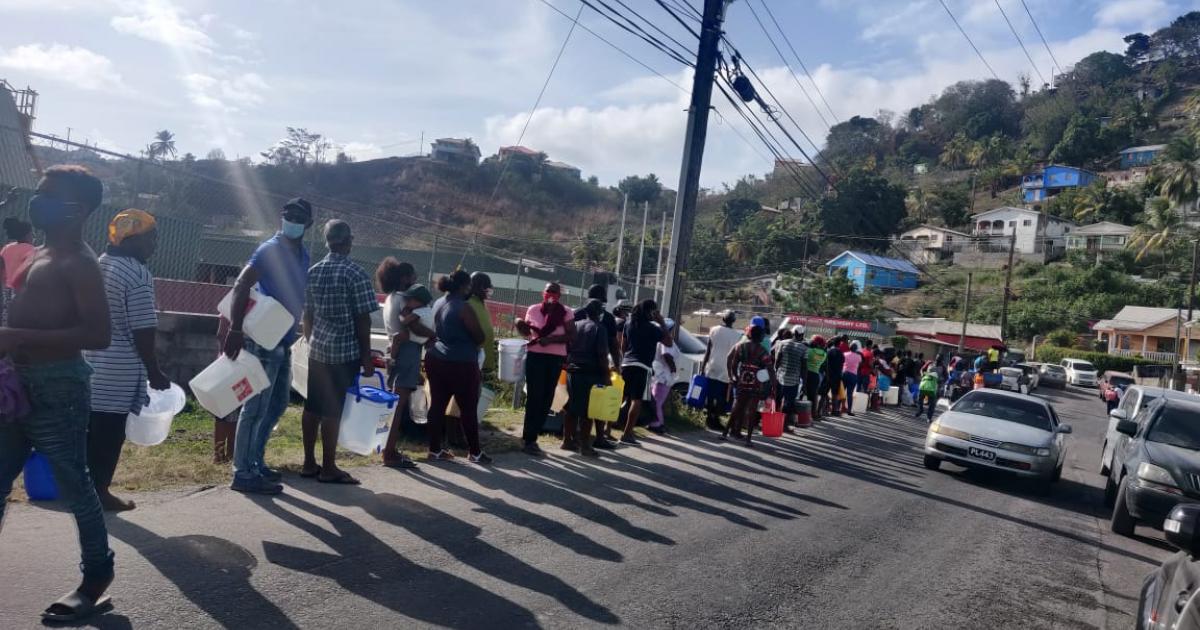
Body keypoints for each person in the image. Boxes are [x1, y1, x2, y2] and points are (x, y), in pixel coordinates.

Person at [0, 166, 114, 623]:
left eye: (48, 195)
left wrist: (15, 334)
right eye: (39, 193)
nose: (36, 201)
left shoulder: (80, 263)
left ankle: (96, 578)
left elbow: (99, 333)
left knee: (74, 485)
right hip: (18, 385)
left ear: (78, 210)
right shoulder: (39, 252)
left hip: (59, 388)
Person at [223, 197, 313, 495]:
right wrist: (235, 328)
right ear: (281, 218)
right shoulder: (269, 250)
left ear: (308, 224)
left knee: (276, 406)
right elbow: (241, 285)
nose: (292, 220)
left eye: (299, 217)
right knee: (256, 406)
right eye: (289, 215)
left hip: (283, 339)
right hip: (263, 338)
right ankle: (243, 472)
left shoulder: (303, 253)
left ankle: (256, 462)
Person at [85, 209, 169, 512]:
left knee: (90, 432)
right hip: (117, 372)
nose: (154, 245)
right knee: (109, 435)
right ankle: (100, 491)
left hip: (89, 364)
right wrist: (154, 371)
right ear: (132, 239)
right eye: (151, 238)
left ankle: (83, 489)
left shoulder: (98, 264)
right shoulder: (136, 273)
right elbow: (143, 331)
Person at [299, 220, 379, 485]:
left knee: (312, 406)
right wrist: (367, 357)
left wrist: (312, 341)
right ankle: (329, 467)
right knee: (333, 410)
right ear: (348, 241)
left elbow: (307, 314)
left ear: (327, 241)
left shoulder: (313, 271)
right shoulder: (355, 273)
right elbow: (363, 320)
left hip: (318, 350)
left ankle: (309, 462)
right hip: (344, 352)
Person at [425, 270, 490, 463]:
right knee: (468, 408)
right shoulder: (463, 307)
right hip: (461, 363)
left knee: (437, 405)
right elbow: (479, 337)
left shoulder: (439, 303)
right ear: (464, 286)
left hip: (436, 358)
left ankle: (434, 449)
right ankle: (475, 452)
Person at [376, 257, 428, 470]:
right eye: (412, 275)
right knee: (399, 405)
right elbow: (409, 329)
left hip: (397, 352)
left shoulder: (390, 298)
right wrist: (431, 334)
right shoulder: (404, 300)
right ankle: (389, 452)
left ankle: (387, 448)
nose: (415, 278)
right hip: (407, 352)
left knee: (394, 404)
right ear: (404, 278)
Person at [515, 282, 575, 456]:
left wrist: (551, 340)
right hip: (535, 356)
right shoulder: (533, 309)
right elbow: (526, 332)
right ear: (543, 292)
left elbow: (572, 335)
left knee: (547, 397)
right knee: (534, 396)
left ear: (559, 295)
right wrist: (519, 323)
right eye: (548, 291)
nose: (551, 294)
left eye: (555, 292)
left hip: (555, 358)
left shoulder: (565, 312)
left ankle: (534, 434)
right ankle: (529, 439)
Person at [573, 285, 621, 449]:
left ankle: (570, 439)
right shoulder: (603, 322)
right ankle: (594, 441)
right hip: (595, 370)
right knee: (595, 406)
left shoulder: (577, 315)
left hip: (574, 367)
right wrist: (613, 369)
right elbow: (610, 347)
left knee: (572, 406)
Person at [618, 299, 670, 446]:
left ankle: (607, 429)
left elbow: (623, 345)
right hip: (643, 367)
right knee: (637, 400)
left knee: (620, 397)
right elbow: (669, 342)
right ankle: (627, 433)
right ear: (651, 312)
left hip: (627, 364)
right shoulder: (653, 328)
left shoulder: (629, 324)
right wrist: (662, 322)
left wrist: (626, 359)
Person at [564, 298, 611, 456]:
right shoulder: (600, 328)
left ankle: (567, 442)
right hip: (591, 373)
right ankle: (585, 446)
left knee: (571, 407)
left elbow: (567, 346)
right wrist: (607, 375)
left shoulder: (577, 325)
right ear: (600, 313)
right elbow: (602, 355)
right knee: (588, 411)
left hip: (573, 371)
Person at [725, 325, 776, 447]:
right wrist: (774, 386)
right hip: (756, 383)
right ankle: (748, 439)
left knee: (737, 408)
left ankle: (724, 433)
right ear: (760, 337)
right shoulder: (763, 351)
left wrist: (734, 376)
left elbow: (733, 363)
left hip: (742, 380)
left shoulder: (741, 347)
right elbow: (770, 369)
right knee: (752, 410)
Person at [701, 310, 740, 432]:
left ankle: (709, 418)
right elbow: (735, 356)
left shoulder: (714, 330)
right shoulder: (737, 335)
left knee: (711, 394)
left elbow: (708, 350)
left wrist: (703, 366)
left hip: (712, 366)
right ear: (733, 321)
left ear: (723, 319)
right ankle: (715, 419)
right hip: (726, 369)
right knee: (722, 396)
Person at [773, 325, 808, 432]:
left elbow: (777, 361)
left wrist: (775, 374)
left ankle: (775, 422)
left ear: (793, 333)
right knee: (788, 403)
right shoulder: (804, 348)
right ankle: (784, 426)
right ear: (801, 335)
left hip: (780, 377)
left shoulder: (782, 343)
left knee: (778, 400)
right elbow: (804, 367)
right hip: (793, 380)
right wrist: (805, 384)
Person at [649, 318, 680, 435]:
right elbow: (666, 355)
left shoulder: (660, 339)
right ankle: (656, 424)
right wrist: (673, 367)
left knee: (657, 401)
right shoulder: (665, 340)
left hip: (660, 374)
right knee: (658, 402)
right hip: (663, 376)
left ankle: (657, 423)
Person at [0, 216, 34, 323]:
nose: (33, 236)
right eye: (32, 234)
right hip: (19, 290)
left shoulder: (6, 248)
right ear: (27, 235)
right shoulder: (31, 250)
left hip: (4, 289)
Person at [468, 272, 497, 380]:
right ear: (480, 287)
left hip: (480, 364)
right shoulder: (468, 303)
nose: (489, 290)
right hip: (471, 362)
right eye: (487, 287)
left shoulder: (481, 303)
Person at [804, 335, 827, 418]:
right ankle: (812, 414)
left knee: (803, 394)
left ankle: (802, 414)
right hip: (815, 375)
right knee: (813, 396)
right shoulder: (824, 354)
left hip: (806, 374)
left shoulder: (809, 351)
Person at [822, 334, 846, 416]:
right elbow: (842, 364)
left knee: (824, 393)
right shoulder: (841, 354)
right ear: (839, 344)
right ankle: (834, 411)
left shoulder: (829, 351)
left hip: (828, 375)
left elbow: (826, 363)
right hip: (837, 376)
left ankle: (822, 410)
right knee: (834, 394)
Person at [842, 341, 863, 417]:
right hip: (853, 375)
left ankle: (838, 408)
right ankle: (849, 410)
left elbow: (842, 362)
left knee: (842, 391)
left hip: (844, 373)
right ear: (856, 349)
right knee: (849, 394)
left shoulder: (845, 354)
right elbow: (860, 364)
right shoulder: (858, 357)